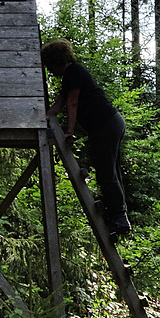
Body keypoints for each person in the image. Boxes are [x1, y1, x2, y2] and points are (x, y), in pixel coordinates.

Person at [41, 38, 131, 235]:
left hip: (106, 125)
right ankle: (118, 215)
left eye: (49, 65)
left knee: (107, 173)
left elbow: (72, 103)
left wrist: (69, 132)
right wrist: (40, 117)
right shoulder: (72, 75)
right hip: (111, 124)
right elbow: (59, 106)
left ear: (56, 60)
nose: (50, 71)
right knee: (110, 172)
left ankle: (119, 218)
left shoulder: (73, 73)